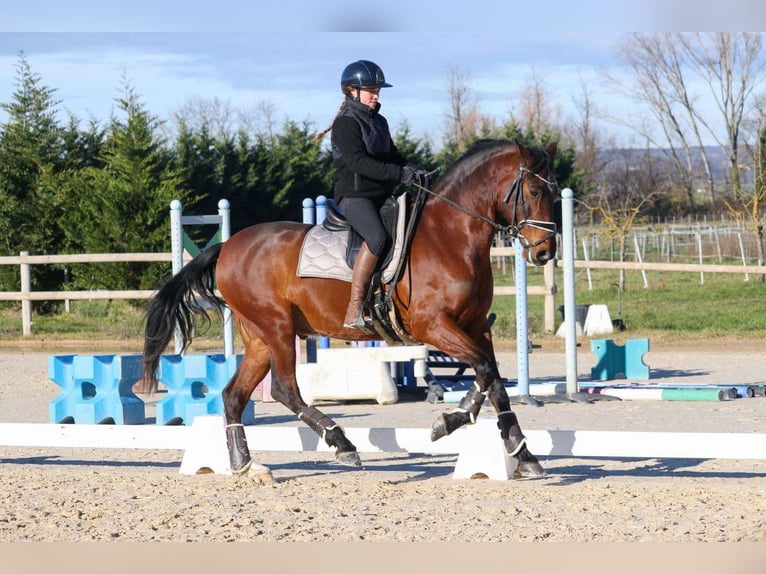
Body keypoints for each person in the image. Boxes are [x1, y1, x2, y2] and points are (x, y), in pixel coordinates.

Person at [314, 59, 428, 330]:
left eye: (378, 89)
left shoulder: (379, 121)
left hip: (380, 195)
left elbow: (392, 156)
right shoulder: (345, 124)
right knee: (377, 237)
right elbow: (359, 163)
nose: (376, 93)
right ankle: (355, 307)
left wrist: (416, 171)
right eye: (370, 89)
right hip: (354, 196)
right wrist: (400, 175)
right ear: (352, 91)